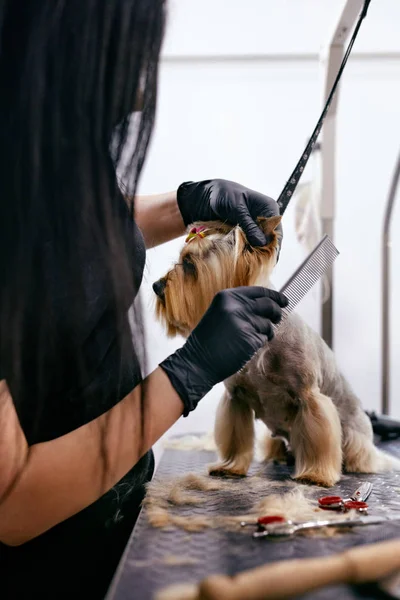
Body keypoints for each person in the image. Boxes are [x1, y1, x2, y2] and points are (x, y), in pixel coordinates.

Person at [0, 1, 287, 598]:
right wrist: (186, 375)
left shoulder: (47, 141)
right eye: (132, 41)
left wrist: (189, 202)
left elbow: (66, 244)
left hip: (111, 536)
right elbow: (12, 505)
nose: (144, 70)